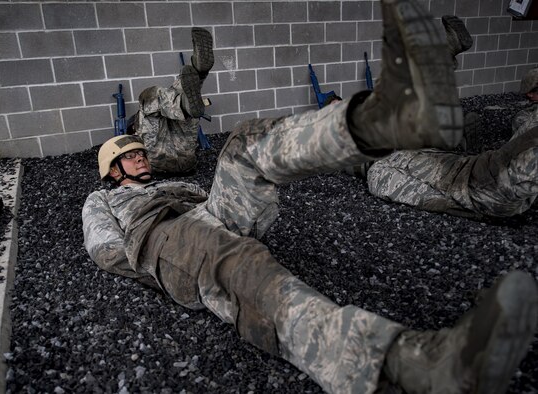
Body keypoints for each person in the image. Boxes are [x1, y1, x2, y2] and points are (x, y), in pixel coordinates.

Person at [83, 2, 538, 393]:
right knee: (240, 266)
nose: (142, 159)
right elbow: (106, 250)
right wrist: (170, 263)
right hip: (164, 234)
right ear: (111, 171)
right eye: (132, 158)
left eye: (143, 153)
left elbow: (221, 190)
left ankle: (374, 121)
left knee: (243, 146)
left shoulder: (172, 180)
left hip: (206, 209)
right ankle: (407, 362)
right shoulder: (103, 201)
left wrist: (222, 207)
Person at [365, 67, 538, 219]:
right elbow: (428, 198)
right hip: (483, 186)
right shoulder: (378, 171)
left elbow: (426, 194)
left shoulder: (396, 159)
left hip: (486, 180)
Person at [126, 27, 214, 176]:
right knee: (151, 96)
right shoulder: (140, 129)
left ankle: (184, 100)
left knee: (167, 101)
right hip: (186, 163)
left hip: (159, 164)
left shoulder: (147, 134)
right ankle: (198, 73)